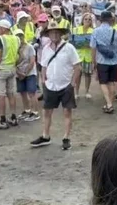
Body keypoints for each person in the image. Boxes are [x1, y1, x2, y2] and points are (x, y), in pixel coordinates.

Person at [31, 21, 80, 150]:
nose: (54, 35)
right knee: (47, 111)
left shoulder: (69, 48)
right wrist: (43, 81)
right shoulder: (46, 49)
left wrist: (73, 83)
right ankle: (45, 135)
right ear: (48, 35)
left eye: (56, 32)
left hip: (65, 85)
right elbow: (43, 66)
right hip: (50, 85)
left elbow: (77, 66)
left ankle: (66, 137)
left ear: (60, 34)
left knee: (67, 112)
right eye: (52, 33)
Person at [90, 11, 117, 114]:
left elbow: (93, 48)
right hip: (115, 60)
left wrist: (93, 61)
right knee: (112, 82)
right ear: (110, 19)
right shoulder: (116, 32)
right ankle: (110, 103)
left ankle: (109, 104)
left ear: (101, 19)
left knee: (103, 83)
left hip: (102, 61)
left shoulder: (96, 32)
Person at [0, 20, 20, 129]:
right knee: (11, 93)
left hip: (2, 69)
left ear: (3, 29)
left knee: (1, 95)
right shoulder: (16, 38)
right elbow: (18, 54)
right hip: (12, 68)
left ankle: (2, 120)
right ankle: (13, 117)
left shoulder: (1, 39)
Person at [14, 28, 40, 122]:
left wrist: (25, 73)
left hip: (30, 73)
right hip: (19, 74)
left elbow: (32, 61)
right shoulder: (14, 48)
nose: (19, 38)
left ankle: (35, 112)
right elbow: (13, 62)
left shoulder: (29, 47)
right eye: (17, 36)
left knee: (32, 93)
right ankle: (27, 110)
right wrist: (18, 72)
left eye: (20, 36)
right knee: (23, 93)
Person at [70, 13, 95, 100]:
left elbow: (94, 44)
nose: (87, 21)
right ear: (82, 20)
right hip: (78, 56)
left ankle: (87, 92)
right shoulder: (76, 30)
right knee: (78, 75)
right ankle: (76, 92)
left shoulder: (93, 31)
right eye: (86, 19)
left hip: (88, 56)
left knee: (88, 75)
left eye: (89, 19)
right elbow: (71, 41)